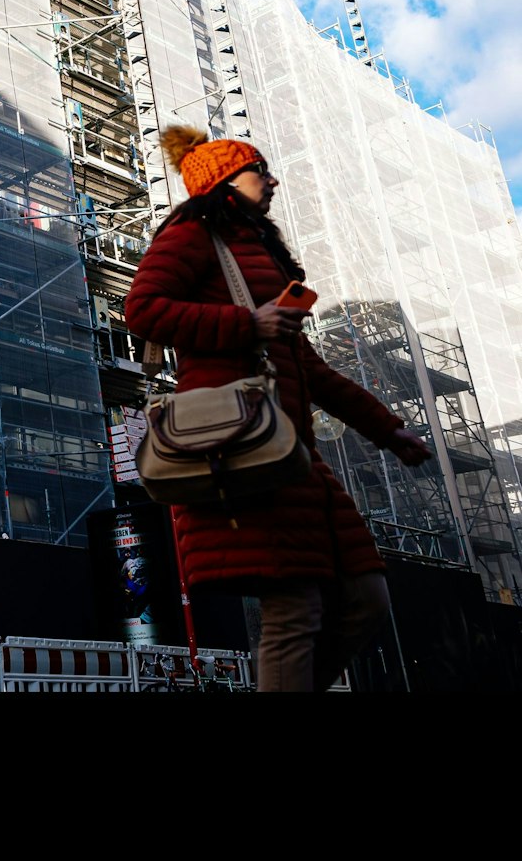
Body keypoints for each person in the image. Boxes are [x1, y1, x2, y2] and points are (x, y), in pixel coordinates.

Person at [124, 125, 433, 693]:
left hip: (289, 455)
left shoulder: (254, 248)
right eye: (258, 170)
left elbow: (308, 369)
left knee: (365, 598)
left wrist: (391, 430)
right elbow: (141, 310)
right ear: (223, 182)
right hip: (239, 449)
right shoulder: (193, 234)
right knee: (295, 612)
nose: (272, 180)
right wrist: (248, 323)